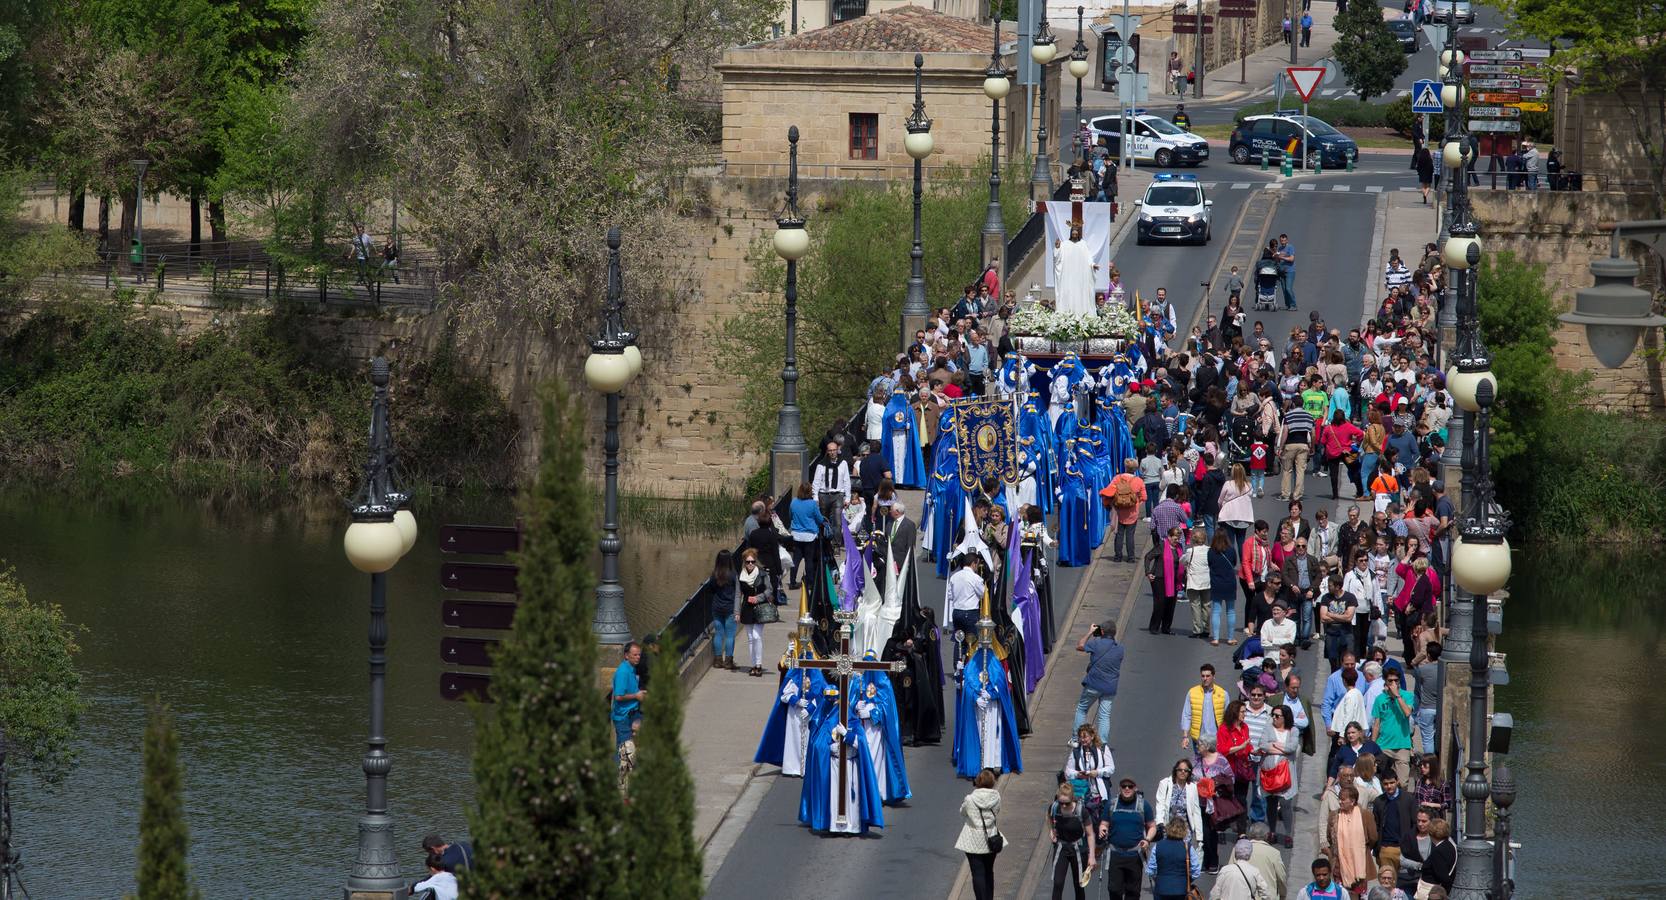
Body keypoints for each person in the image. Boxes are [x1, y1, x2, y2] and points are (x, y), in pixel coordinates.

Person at [1101, 778, 1156, 900]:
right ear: (1119, 788)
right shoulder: (1111, 804)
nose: (1127, 788)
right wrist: (1102, 829)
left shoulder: (1143, 805)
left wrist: (1147, 840)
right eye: (1124, 786)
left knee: (1133, 892)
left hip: (1135, 855)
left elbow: (1152, 826)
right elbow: (1104, 823)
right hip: (1115, 854)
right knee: (1114, 890)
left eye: (1130, 786)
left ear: (1135, 788)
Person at [1073, 621, 1123, 747]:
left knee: (1082, 709)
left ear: (1101, 631)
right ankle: (1102, 744)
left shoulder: (1096, 643)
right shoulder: (1120, 648)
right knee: (1104, 715)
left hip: (1093, 684)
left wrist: (1090, 632)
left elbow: (1079, 646)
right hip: (1110, 687)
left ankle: (1076, 739)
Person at [956, 769, 1003, 900]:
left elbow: (962, 812)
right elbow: (997, 811)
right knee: (989, 872)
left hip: (974, 841)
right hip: (991, 838)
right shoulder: (997, 797)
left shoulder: (970, 799)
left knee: (977, 874)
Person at [1324, 784, 1378, 892]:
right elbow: (1330, 837)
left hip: (1360, 864)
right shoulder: (1334, 816)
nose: (1340, 802)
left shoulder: (1365, 815)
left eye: (1343, 799)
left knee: (1357, 894)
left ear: (1352, 801)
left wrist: (1360, 849)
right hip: (1339, 865)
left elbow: (1373, 837)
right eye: (1339, 799)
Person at [1048, 783, 1097, 900]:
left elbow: (1090, 834)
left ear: (1072, 799)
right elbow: (1049, 818)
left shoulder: (1081, 811)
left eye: (1067, 803)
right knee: (1058, 883)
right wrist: (1051, 831)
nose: (1064, 806)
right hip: (1061, 847)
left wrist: (1092, 856)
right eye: (1061, 803)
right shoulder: (1055, 807)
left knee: (1079, 884)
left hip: (1078, 848)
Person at [1371, 669, 1417, 784]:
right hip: (1384, 746)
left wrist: (1397, 696)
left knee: (1402, 782)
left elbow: (1407, 713)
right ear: (1385, 682)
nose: (1393, 683)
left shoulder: (1407, 696)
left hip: (1402, 745)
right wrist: (1372, 745)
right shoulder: (1379, 699)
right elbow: (1376, 724)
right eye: (1390, 681)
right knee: (1383, 782)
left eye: (1396, 680)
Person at [1371, 769, 1417, 877]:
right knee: (1387, 883)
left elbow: (1414, 823)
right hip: (1386, 848)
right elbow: (1376, 825)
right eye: (1386, 784)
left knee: (1405, 883)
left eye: (1392, 783)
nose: (1389, 786)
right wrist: (1378, 847)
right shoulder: (1379, 801)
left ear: (1397, 781)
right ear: (1382, 784)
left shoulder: (1408, 799)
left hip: (1405, 849)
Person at [1146, 815, 1204, 900]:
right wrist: (1187, 880)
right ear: (1184, 830)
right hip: (1182, 890)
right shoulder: (1188, 847)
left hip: (1161, 889)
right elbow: (1196, 871)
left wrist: (1159, 879)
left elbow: (1150, 870)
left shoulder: (1158, 846)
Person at [737, 548, 774, 677]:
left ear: (756, 561)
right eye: (748, 562)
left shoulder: (762, 574)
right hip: (747, 608)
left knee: (756, 636)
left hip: (760, 608)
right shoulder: (740, 576)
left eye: (753, 561)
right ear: (744, 562)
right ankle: (753, 665)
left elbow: (770, 590)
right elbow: (738, 595)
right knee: (751, 639)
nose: (751, 564)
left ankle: (758, 665)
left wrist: (758, 598)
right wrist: (736, 612)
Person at [1180, 663, 1230, 754]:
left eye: (1208, 676)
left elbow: (1229, 717)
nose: (1205, 678)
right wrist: (1185, 736)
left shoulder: (1223, 694)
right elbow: (1187, 715)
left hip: (1216, 740)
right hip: (1199, 740)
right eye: (1203, 676)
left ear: (1213, 676)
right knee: (1200, 766)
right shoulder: (1192, 693)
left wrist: (1227, 737)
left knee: (1215, 766)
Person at [1053, 222, 1100, 315]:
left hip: (1080, 276)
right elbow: (1057, 259)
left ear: (1078, 234)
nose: (1074, 235)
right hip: (1068, 276)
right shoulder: (1065, 244)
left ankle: (1082, 313)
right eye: (1073, 233)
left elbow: (1088, 258)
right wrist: (1057, 248)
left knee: (1080, 294)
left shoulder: (1083, 244)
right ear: (1071, 234)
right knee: (1069, 293)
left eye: (1076, 233)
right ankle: (1068, 313)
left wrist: (1092, 265)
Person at [1105, 459, 1146, 562]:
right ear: (1135, 469)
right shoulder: (1139, 481)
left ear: (1125, 467)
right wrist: (1136, 504)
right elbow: (1144, 497)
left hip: (1118, 511)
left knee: (1119, 534)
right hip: (1132, 512)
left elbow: (1109, 491)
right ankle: (1131, 557)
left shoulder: (1117, 478)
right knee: (1130, 535)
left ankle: (1118, 556)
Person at [1208, 529, 1240, 646]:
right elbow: (1234, 563)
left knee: (1216, 611)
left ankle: (1216, 638)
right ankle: (1230, 638)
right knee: (1230, 611)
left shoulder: (1211, 552)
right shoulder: (1231, 550)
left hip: (1216, 583)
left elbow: (1209, 564)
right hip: (1229, 583)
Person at [611, 641, 646, 746]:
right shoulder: (623, 672)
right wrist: (636, 695)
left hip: (633, 713)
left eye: (639, 654)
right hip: (623, 717)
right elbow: (618, 696)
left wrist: (640, 693)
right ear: (626, 655)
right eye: (635, 655)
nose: (638, 657)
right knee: (625, 750)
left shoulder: (632, 668)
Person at [708, 550, 738, 670]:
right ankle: (728, 661)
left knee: (719, 634)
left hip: (717, 607)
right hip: (730, 607)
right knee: (730, 635)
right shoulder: (733, 575)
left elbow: (711, 589)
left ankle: (717, 660)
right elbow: (737, 591)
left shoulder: (714, 574)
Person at [1182, 526, 1213, 639]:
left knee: (1195, 605)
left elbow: (1183, 561)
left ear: (1194, 540)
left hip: (1194, 581)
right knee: (1207, 605)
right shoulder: (1209, 550)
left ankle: (1197, 629)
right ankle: (1206, 629)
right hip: (1207, 581)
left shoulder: (1190, 551)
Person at [1415, 817, 1457, 895]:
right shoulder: (1450, 845)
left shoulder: (1438, 851)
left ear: (1431, 832)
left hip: (1432, 891)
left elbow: (1442, 876)